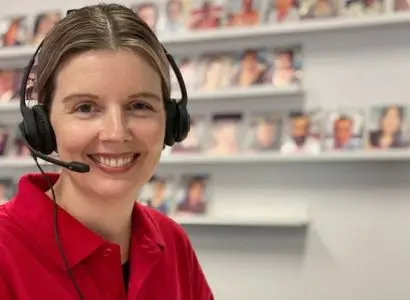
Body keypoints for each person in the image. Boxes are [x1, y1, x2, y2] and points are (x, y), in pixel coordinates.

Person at [0, 4, 213, 300]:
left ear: (171, 121)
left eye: (139, 106)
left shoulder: (172, 241)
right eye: (85, 108)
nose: (116, 133)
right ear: (43, 124)